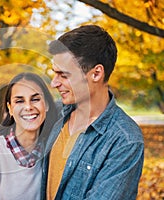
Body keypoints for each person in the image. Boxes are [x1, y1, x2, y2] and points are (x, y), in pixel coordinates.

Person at [41, 25, 144, 200]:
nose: (54, 83)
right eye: (54, 73)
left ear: (96, 74)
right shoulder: (54, 114)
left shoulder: (125, 140)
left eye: (63, 75)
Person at [0, 72, 57, 200]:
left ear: (47, 104)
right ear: (10, 109)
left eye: (35, 99)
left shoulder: (51, 153)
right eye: (19, 101)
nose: (28, 107)